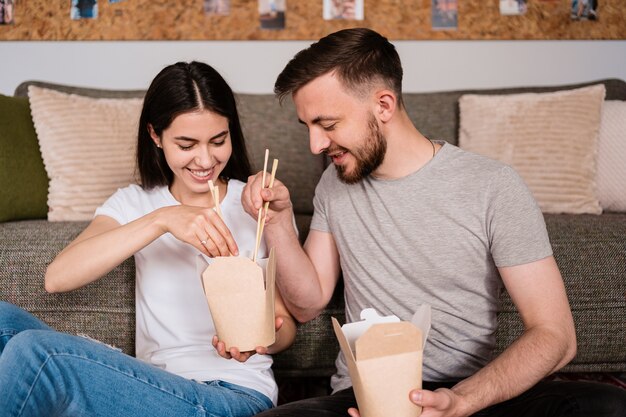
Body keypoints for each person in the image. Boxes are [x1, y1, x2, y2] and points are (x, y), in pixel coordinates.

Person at [241, 28, 626, 416]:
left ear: (384, 105)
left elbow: (556, 335)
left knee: (608, 406)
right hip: (366, 398)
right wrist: (277, 222)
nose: (316, 145)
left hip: (470, 394)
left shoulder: (492, 185)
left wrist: (461, 401)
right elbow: (308, 304)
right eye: (307, 127)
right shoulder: (334, 183)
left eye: (328, 124)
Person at [0, 61, 296, 416]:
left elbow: (285, 324)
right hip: (152, 386)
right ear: (155, 136)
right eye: (186, 144)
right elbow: (57, 278)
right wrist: (163, 219)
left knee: (37, 352)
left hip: (233, 395)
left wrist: (259, 340)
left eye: (218, 141)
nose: (206, 159)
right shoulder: (134, 203)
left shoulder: (253, 201)